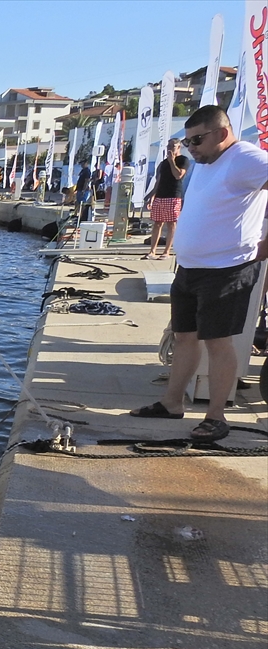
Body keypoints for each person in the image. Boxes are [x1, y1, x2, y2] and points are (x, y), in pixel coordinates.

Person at [130, 105, 268, 443]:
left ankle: (216, 416)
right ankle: (172, 403)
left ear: (221, 133)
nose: (191, 148)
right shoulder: (206, 162)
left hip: (226, 270)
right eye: (187, 141)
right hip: (190, 268)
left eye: (197, 140)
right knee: (184, 337)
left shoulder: (245, 158)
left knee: (218, 344)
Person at [143, 138, 188, 259]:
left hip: (173, 195)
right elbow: (159, 181)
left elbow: (178, 175)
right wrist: (151, 196)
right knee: (157, 223)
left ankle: (166, 251)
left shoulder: (183, 160)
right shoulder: (163, 163)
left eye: (173, 146)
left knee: (171, 224)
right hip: (160, 196)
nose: (170, 148)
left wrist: (172, 161)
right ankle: (152, 251)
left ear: (179, 147)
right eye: (168, 145)